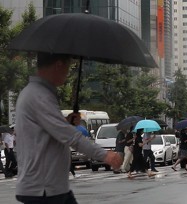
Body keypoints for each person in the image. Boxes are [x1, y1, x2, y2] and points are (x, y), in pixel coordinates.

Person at [14, 52, 122, 203]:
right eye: (69, 66)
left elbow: (48, 133)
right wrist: (105, 155)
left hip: (51, 187)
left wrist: (66, 121)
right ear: (59, 65)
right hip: (43, 190)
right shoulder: (38, 96)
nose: (68, 72)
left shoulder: (36, 93)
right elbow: (71, 136)